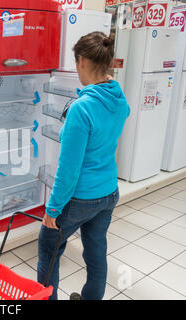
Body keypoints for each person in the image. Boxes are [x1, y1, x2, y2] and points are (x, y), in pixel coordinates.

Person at [37, 31, 130, 300]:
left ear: (80, 62)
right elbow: (125, 111)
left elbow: (69, 171)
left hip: (79, 197)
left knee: (48, 249)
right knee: (96, 253)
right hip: (108, 193)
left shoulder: (82, 109)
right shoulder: (117, 96)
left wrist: (53, 210)